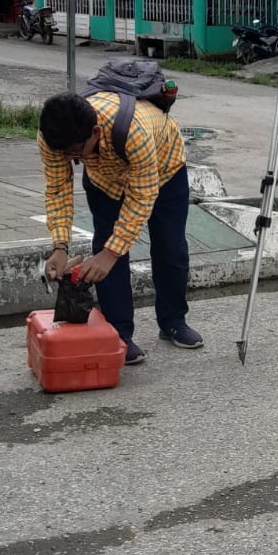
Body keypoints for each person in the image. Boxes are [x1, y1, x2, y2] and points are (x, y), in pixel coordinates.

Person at [37, 91, 202, 365]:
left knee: (170, 247)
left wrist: (111, 253)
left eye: (75, 152)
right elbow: (57, 189)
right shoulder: (52, 137)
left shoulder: (135, 132)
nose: (70, 158)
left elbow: (142, 197)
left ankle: (173, 321)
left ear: (95, 132)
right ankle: (119, 334)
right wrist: (60, 246)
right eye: (63, 154)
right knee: (105, 252)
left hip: (164, 171)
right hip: (105, 182)